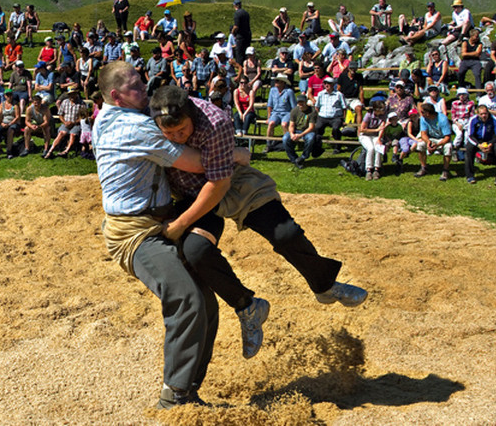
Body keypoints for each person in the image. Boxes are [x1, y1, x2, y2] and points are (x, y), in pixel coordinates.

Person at [149, 85, 366, 354]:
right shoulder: (147, 120)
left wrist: (181, 223)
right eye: (168, 134)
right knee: (197, 251)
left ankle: (324, 284)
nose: (177, 138)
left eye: (181, 130)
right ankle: (248, 307)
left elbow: (218, 184)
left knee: (285, 233)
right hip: (189, 193)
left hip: (230, 183)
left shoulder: (215, 121)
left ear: (191, 114)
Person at [92, 61, 219, 409]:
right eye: (136, 86)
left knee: (205, 302)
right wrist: (234, 153)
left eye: (142, 80)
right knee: (186, 297)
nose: (144, 88)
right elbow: (197, 163)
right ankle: (174, 395)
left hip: (155, 223)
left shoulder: (111, 116)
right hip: (134, 232)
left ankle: (187, 389)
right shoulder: (134, 127)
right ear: (117, 96)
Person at [464, 105, 496, 185]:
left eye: (485, 113)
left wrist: (490, 144)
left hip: (491, 140)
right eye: (481, 114)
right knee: (469, 149)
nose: (484, 116)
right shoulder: (473, 120)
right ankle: (470, 176)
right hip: (477, 140)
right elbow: (470, 135)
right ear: (478, 113)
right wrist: (478, 145)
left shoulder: (494, 120)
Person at [415, 102, 454, 180]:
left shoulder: (443, 119)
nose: (421, 114)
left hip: (442, 139)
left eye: (422, 112)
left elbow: (447, 137)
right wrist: (428, 142)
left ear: (428, 113)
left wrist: (438, 145)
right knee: (420, 145)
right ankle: (423, 167)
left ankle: (445, 170)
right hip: (430, 138)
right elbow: (423, 134)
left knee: (448, 147)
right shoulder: (423, 119)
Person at [357, 101, 389, 180]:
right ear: (376, 110)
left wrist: (379, 139)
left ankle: (377, 168)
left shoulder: (383, 116)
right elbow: (362, 129)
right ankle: (368, 169)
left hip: (376, 136)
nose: (383, 111)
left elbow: (382, 128)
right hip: (365, 135)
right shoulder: (368, 115)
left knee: (377, 147)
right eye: (382, 109)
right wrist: (376, 130)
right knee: (370, 148)